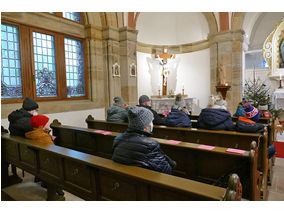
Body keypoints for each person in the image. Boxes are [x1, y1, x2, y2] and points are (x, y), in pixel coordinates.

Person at [112, 106, 176, 174]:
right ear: (145, 126)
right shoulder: (150, 145)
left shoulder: (117, 139)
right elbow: (166, 170)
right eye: (151, 121)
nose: (152, 124)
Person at [25, 114, 65, 199]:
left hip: (39, 159)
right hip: (48, 161)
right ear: (41, 125)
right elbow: (53, 150)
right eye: (47, 122)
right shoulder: (43, 137)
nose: (49, 123)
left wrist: (47, 133)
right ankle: (55, 186)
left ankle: (44, 181)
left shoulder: (32, 133)